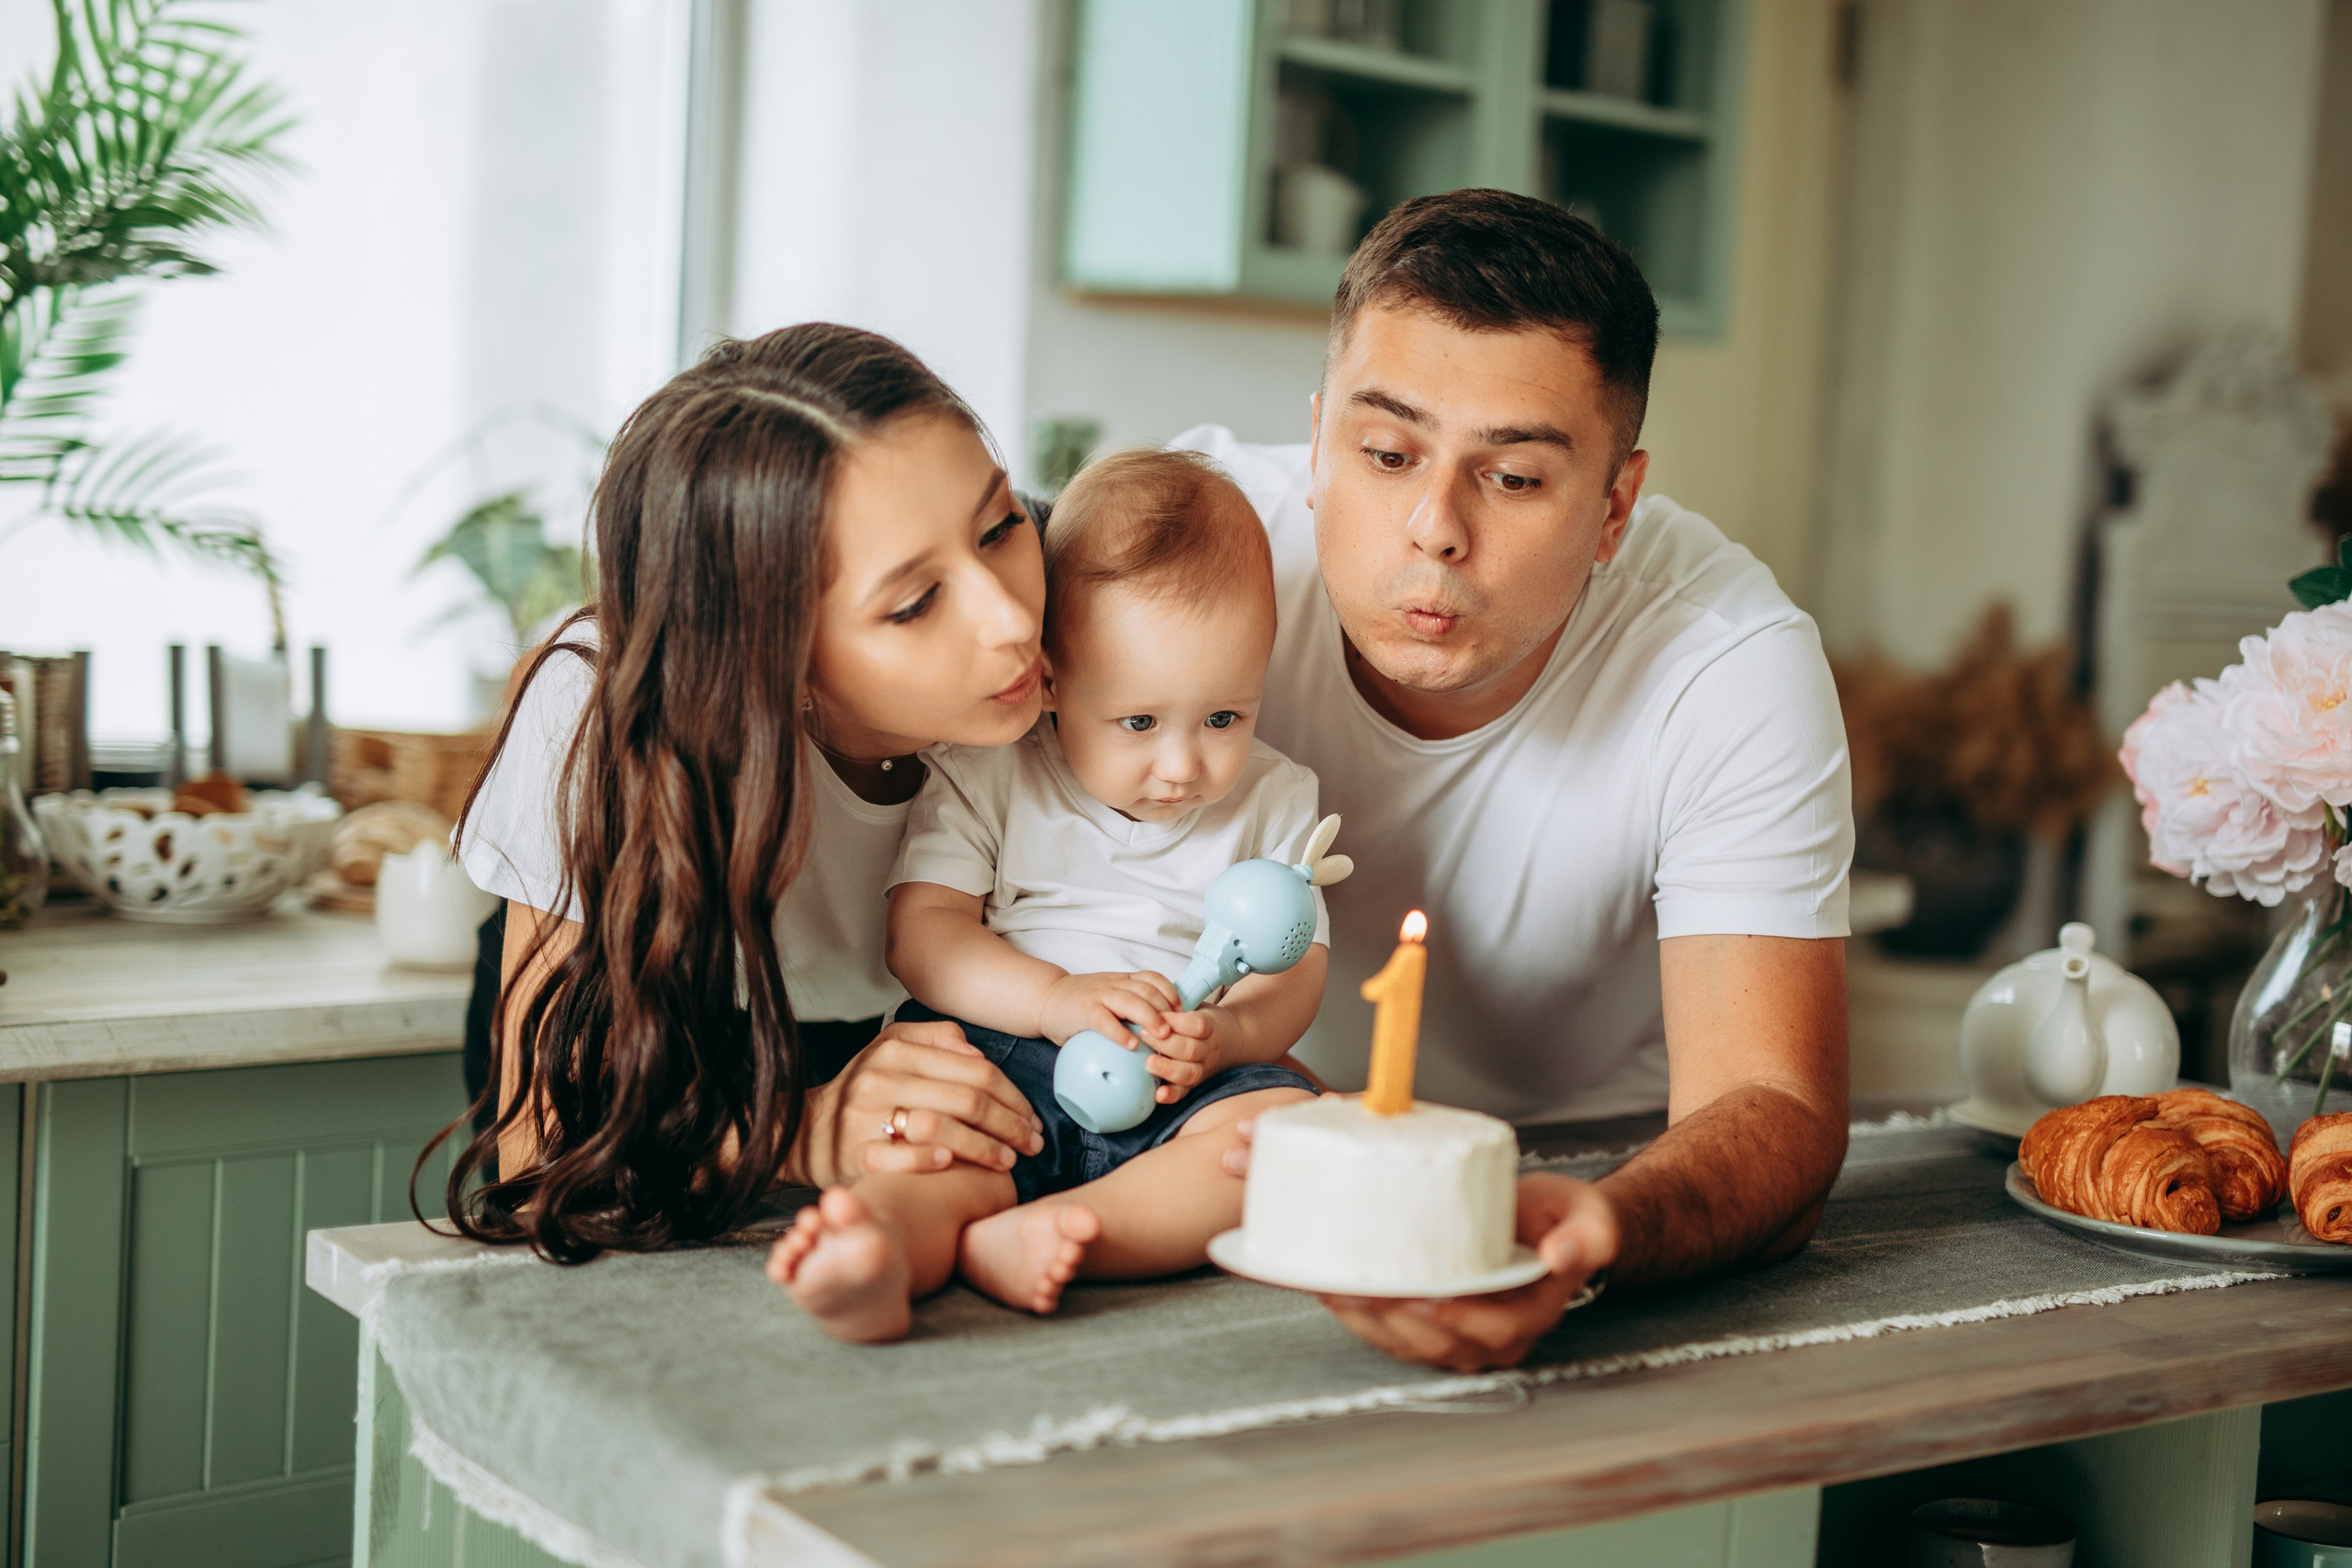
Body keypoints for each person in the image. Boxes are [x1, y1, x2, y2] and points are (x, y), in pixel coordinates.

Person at [1180, 188, 1855, 1370]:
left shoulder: (1728, 661)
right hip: (1213, 1164)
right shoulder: (1185, 554)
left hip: (1586, 1160)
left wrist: (1595, 1231)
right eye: (1386, 454)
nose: (1434, 527)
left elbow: (1777, 1106)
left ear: (1614, 507)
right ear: (1319, 437)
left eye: (1513, 478)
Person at [444, 324, 1056, 1260]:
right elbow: (542, 1160)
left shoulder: (1087, 621)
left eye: (1000, 527)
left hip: (917, 1036)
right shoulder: (599, 713)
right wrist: (800, 1129)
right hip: (662, 1039)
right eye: (913, 603)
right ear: (773, 656)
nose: (1010, 619)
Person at [768, 450, 1326, 1341]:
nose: (1182, 765)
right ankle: (883, 1247)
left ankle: (1071, 1231)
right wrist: (1052, 999)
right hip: (1005, 1046)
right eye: (1138, 721)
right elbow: (923, 934)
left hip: (1184, 1072)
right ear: (1054, 680)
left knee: (1281, 1135)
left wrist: (1232, 1037)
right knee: (939, 1140)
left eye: (1225, 717)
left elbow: (1295, 967)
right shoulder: (990, 769)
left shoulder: (1278, 798)